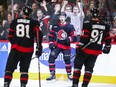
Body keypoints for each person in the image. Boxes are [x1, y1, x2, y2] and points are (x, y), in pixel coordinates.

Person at [4, 6, 43, 87]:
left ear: (22, 13)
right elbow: (38, 35)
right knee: (24, 71)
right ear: (30, 13)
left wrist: (15, 43)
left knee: (9, 69)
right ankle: (23, 85)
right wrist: (39, 47)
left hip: (16, 49)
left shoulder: (14, 21)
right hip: (28, 50)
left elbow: (10, 36)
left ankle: (6, 84)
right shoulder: (34, 22)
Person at [72, 8, 112, 87]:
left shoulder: (87, 23)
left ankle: (75, 85)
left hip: (85, 50)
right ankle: (84, 86)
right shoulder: (105, 26)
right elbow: (108, 38)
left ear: (91, 14)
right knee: (89, 70)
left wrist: (79, 46)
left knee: (77, 67)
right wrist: (107, 47)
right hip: (96, 51)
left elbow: (85, 37)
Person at [46, 12, 77, 81]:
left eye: (63, 17)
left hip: (66, 46)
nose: (61, 18)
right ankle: (52, 75)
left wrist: (68, 39)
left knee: (67, 60)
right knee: (51, 59)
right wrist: (51, 43)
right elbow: (51, 36)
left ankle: (69, 75)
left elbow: (74, 37)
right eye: (60, 17)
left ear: (65, 17)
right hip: (57, 46)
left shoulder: (70, 26)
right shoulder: (55, 26)